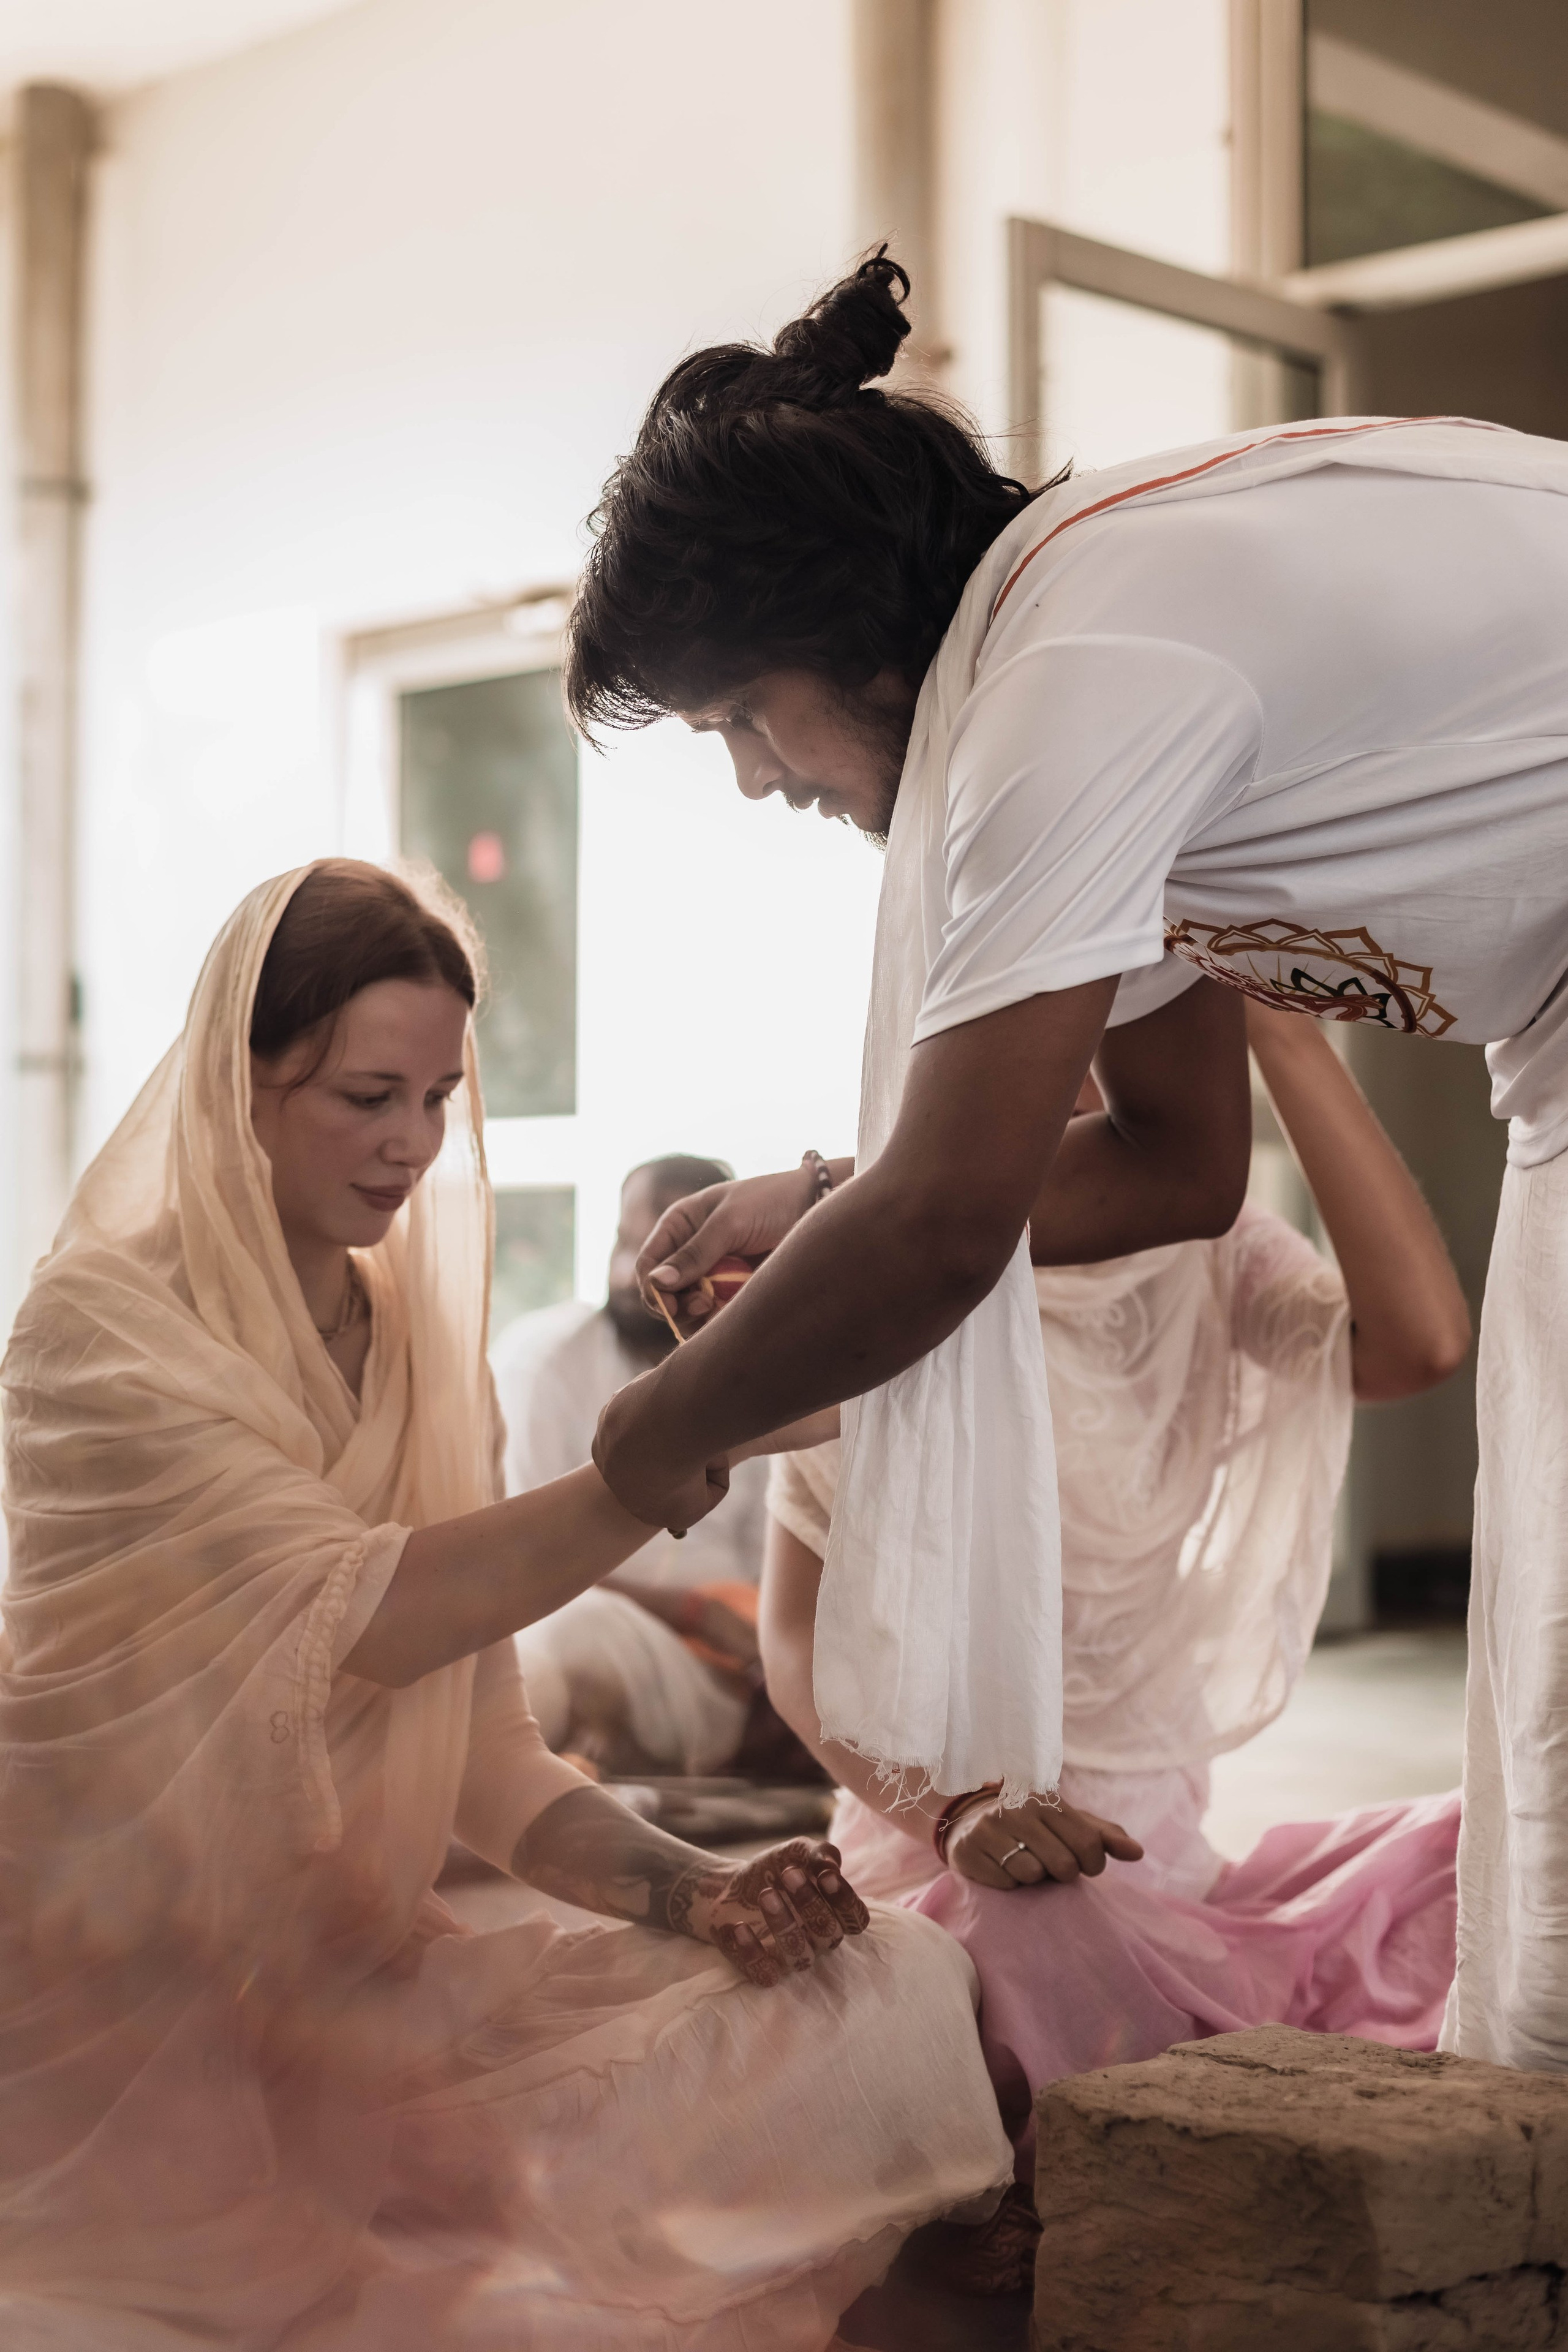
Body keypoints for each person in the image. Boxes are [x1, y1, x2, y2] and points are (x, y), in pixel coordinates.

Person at [567, 254, 1568, 2071]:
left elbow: (951, 1212)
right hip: (1549, 1021)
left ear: (857, 639)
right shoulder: (1065, 639)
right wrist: (819, 1193)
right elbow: (1175, 1161)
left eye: (735, 719)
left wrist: (660, 1429)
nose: (750, 780)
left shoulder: (1062, 682)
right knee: (1541, 1729)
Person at [0, 859, 1012, 2350]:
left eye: (436, 1094)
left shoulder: (413, 1344)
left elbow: (488, 1757)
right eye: (364, 1095)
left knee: (895, 1981)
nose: (411, 1141)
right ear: (241, 1080)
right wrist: (689, 1429)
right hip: (136, 2023)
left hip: (363, 1989)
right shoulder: (97, 1337)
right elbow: (373, 1617)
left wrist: (702, 1891)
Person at [761, 1001, 1467, 2261]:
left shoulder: (1210, 1246)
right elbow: (795, 1651)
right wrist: (952, 1817)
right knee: (1038, 1933)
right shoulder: (882, 1253)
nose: (1087, 1057)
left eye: (1121, 1014)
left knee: (1483, 1848)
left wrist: (1283, 1032)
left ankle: (1170, 2080)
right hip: (955, 1873)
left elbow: (1415, 1341)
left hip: (1170, 1888)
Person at [495, 1155, 788, 1778]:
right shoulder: (546, 1361)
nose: (632, 1272)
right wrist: (688, 1612)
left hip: (721, 1671)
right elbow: (523, 1563)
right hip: (571, 1617)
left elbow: (776, 1576)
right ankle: (531, 1771)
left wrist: (731, 1629)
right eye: (626, 1241)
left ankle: (569, 1768)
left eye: (664, 1251)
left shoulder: (766, 1384)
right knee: (569, 1635)